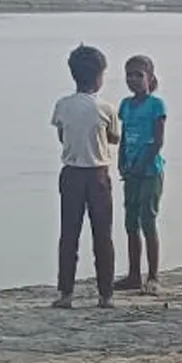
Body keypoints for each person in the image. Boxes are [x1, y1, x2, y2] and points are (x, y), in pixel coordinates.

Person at [49, 45, 121, 309]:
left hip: (71, 173)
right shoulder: (106, 107)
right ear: (99, 76)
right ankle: (106, 294)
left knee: (69, 234)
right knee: (103, 235)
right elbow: (114, 138)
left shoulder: (62, 105)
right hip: (98, 175)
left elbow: (62, 136)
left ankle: (66, 293)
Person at [114, 54, 167, 294]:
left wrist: (140, 166)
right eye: (129, 75)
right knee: (130, 223)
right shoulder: (125, 105)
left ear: (150, 78)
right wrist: (121, 162)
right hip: (131, 171)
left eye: (138, 75)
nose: (133, 79)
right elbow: (124, 136)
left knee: (148, 219)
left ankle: (153, 276)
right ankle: (134, 274)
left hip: (149, 171)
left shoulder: (157, 105)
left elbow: (157, 141)